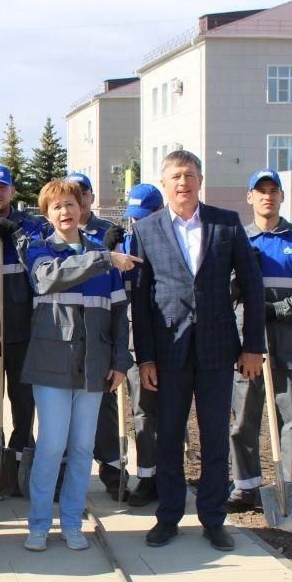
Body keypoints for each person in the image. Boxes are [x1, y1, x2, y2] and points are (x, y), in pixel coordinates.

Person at [130, 150, 264, 552]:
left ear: (200, 181)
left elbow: (252, 285)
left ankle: (212, 518)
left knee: (215, 436)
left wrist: (253, 345)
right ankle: (169, 516)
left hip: (217, 350)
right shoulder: (147, 229)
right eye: (175, 176)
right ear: (164, 183)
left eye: (189, 175)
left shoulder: (226, 224)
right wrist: (146, 357)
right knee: (168, 435)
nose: (183, 183)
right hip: (168, 352)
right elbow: (140, 297)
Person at [22, 179, 138, 551]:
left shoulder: (105, 259)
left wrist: (121, 362)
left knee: (83, 450)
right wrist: (105, 257)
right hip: (51, 366)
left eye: (70, 203)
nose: (65, 211)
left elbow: (120, 316)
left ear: (82, 206)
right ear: (47, 214)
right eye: (56, 207)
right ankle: (39, 524)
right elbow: (49, 279)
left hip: (94, 367)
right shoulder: (39, 249)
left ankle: (72, 523)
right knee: (52, 447)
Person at [227, 169, 292, 518]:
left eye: (274, 191)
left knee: (291, 422)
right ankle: (246, 485)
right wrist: (239, 279)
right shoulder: (237, 240)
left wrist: (274, 309)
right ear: (249, 197)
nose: (267, 196)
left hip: (290, 345)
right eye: (261, 191)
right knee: (243, 419)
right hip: (247, 346)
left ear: (282, 197)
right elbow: (222, 292)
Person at [0, 164, 47, 486]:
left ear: (12, 191)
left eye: (2, 187)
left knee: (23, 404)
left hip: (22, 333)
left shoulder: (31, 227)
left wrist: (15, 237)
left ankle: (21, 468)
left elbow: (41, 267)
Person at [69, 173, 129, 499]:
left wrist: (116, 249)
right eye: (71, 193)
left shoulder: (110, 232)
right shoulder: (55, 232)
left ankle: (110, 465)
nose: (77, 200)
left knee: (105, 402)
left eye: (83, 193)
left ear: (91, 197)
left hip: (99, 334)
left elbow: (122, 292)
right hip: (66, 338)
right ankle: (66, 466)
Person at [120, 182, 164, 508]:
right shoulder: (124, 244)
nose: (137, 224)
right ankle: (147, 476)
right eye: (133, 217)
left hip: (170, 336)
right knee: (143, 410)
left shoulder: (170, 244)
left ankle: (170, 474)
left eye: (143, 217)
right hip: (136, 339)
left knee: (173, 412)